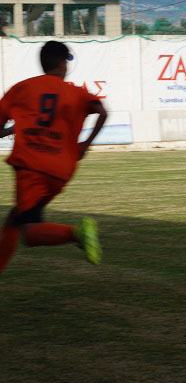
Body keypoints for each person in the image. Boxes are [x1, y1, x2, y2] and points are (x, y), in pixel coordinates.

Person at [0, 41, 107, 273]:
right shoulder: (77, 92)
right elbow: (102, 112)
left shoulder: (22, 88)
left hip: (31, 167)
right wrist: (85, 145)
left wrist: (10, 129)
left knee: (29, 231)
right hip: (61, 172)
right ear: (62, 63)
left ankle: (76, 233)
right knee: (15, 219)